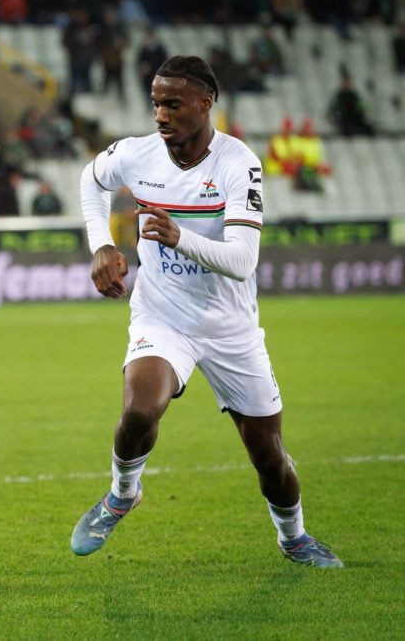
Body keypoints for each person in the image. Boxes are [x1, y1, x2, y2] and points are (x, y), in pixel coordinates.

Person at [71, 55, 342, 568]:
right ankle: (122, 494)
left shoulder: (239, 165)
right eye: (155, 104)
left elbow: (242, 261)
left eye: (172, 104)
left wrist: (179, 235)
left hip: (230, 328)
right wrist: (100, 244)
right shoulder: (136, 155)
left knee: (269, 456)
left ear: (205, 102)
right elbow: (91, 180)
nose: (160, 115)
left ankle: (294, 537)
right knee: (138, 409)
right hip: (163, 315)